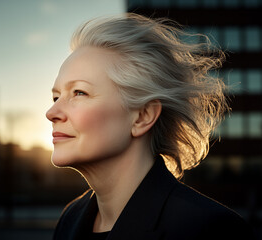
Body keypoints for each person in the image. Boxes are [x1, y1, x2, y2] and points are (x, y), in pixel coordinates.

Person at [46, 13, 255, 240]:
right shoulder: (70, 219)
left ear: (142, 117)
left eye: (79, 92)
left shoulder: (210, 230)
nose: (51, 113)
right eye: (56, 97)